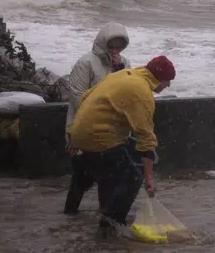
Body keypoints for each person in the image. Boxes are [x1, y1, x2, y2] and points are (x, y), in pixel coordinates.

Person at [68, 55, 175, 232]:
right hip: (100, 137)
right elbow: (146, 138)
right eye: (167, 81)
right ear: (158, 78)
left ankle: (73, 211)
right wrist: (148, 178)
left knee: (105, 173)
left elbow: (86, 97)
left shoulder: (122, 75)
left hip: (81, 134)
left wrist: (74, 133)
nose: (168, 86)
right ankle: (111, 224)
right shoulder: (142, 92)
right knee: (132, 177)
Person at [62, 23, 131, 214]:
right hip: (82, 128)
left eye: (119, 48)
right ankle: (71, 213)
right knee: (81, 177)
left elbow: (126, 91)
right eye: (111, 47)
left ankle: (104, 216)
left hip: (110, 132)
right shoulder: (86, 63)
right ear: (102, 43)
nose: (115, 51)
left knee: (107, 178)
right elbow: (77, 98)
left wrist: (119, 69)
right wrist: (75, 134)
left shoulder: (124, 64)